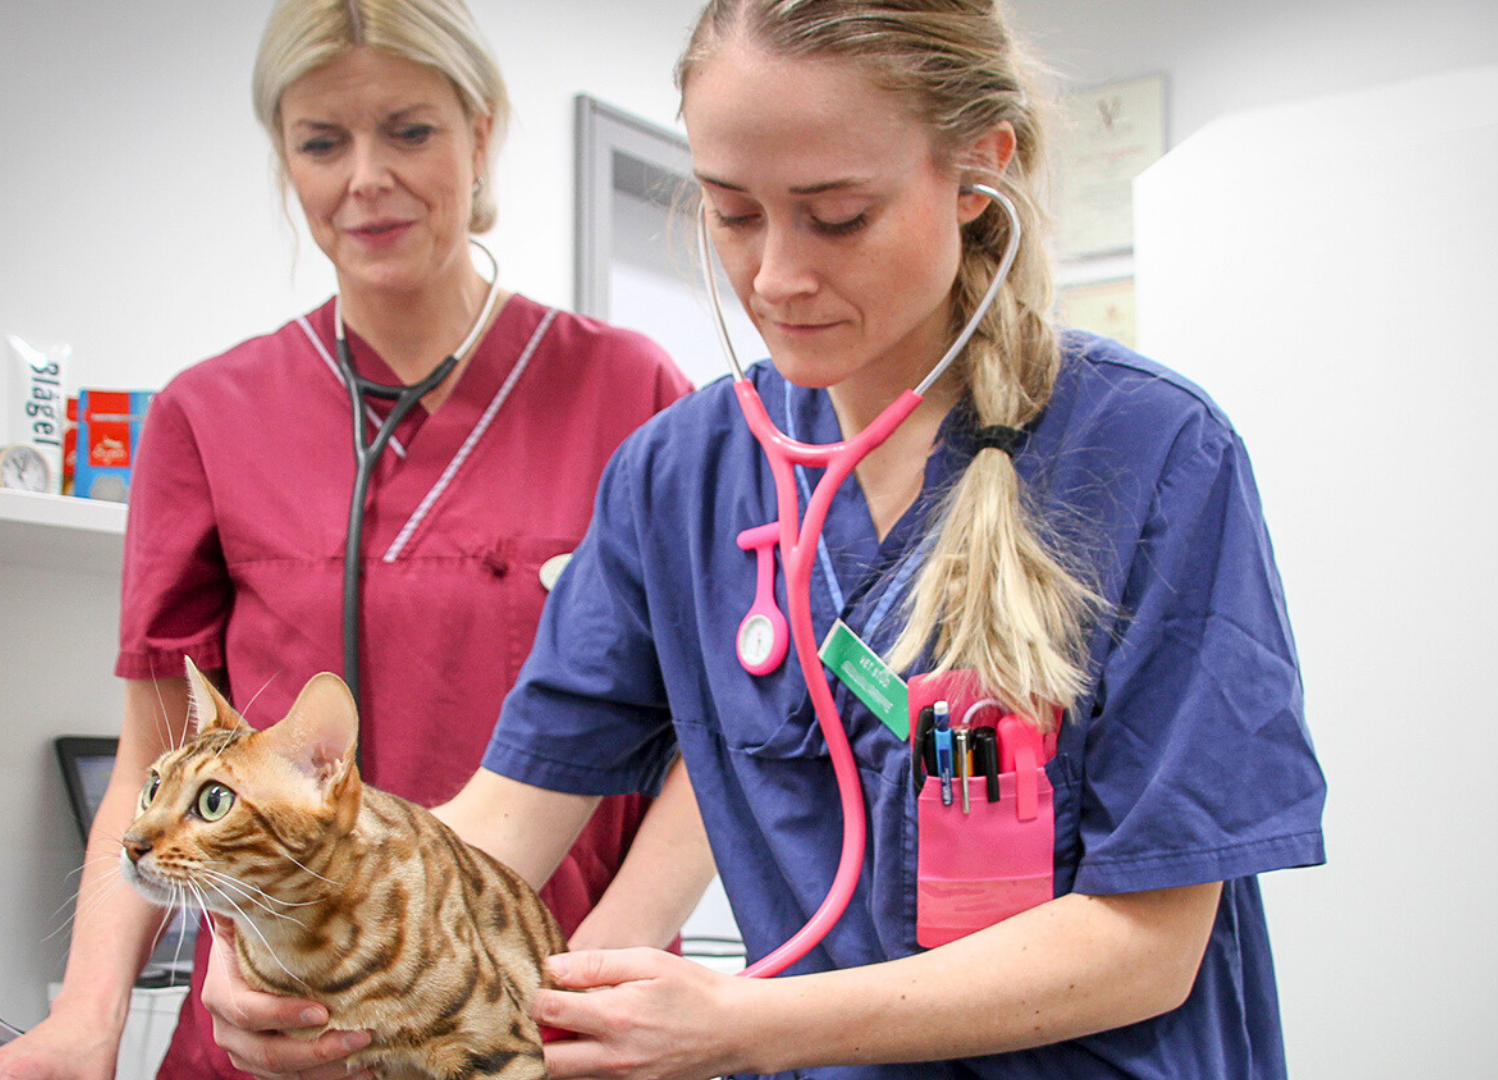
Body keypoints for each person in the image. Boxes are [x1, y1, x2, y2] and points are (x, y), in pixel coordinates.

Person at [205, 0, 1327, 1078]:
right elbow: (498, 829)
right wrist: (273, 925)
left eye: (837, 214)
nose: (777, 277)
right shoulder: (679, 477)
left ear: (980, 169)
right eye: (733, 212)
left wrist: (751, 1027)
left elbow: (1151, 943)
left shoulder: (1149, 455)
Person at [0, 2, 701, 1079]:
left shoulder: (627, 389)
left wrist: (582, 981)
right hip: (272, 1028)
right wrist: (87, 1019)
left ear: (481, 131)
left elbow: (715, 734)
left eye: (408, 130)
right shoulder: (205, 416)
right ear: (285, 158)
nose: (366, 177)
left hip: (549, 1023)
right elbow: (148, 758)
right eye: (321, 141)